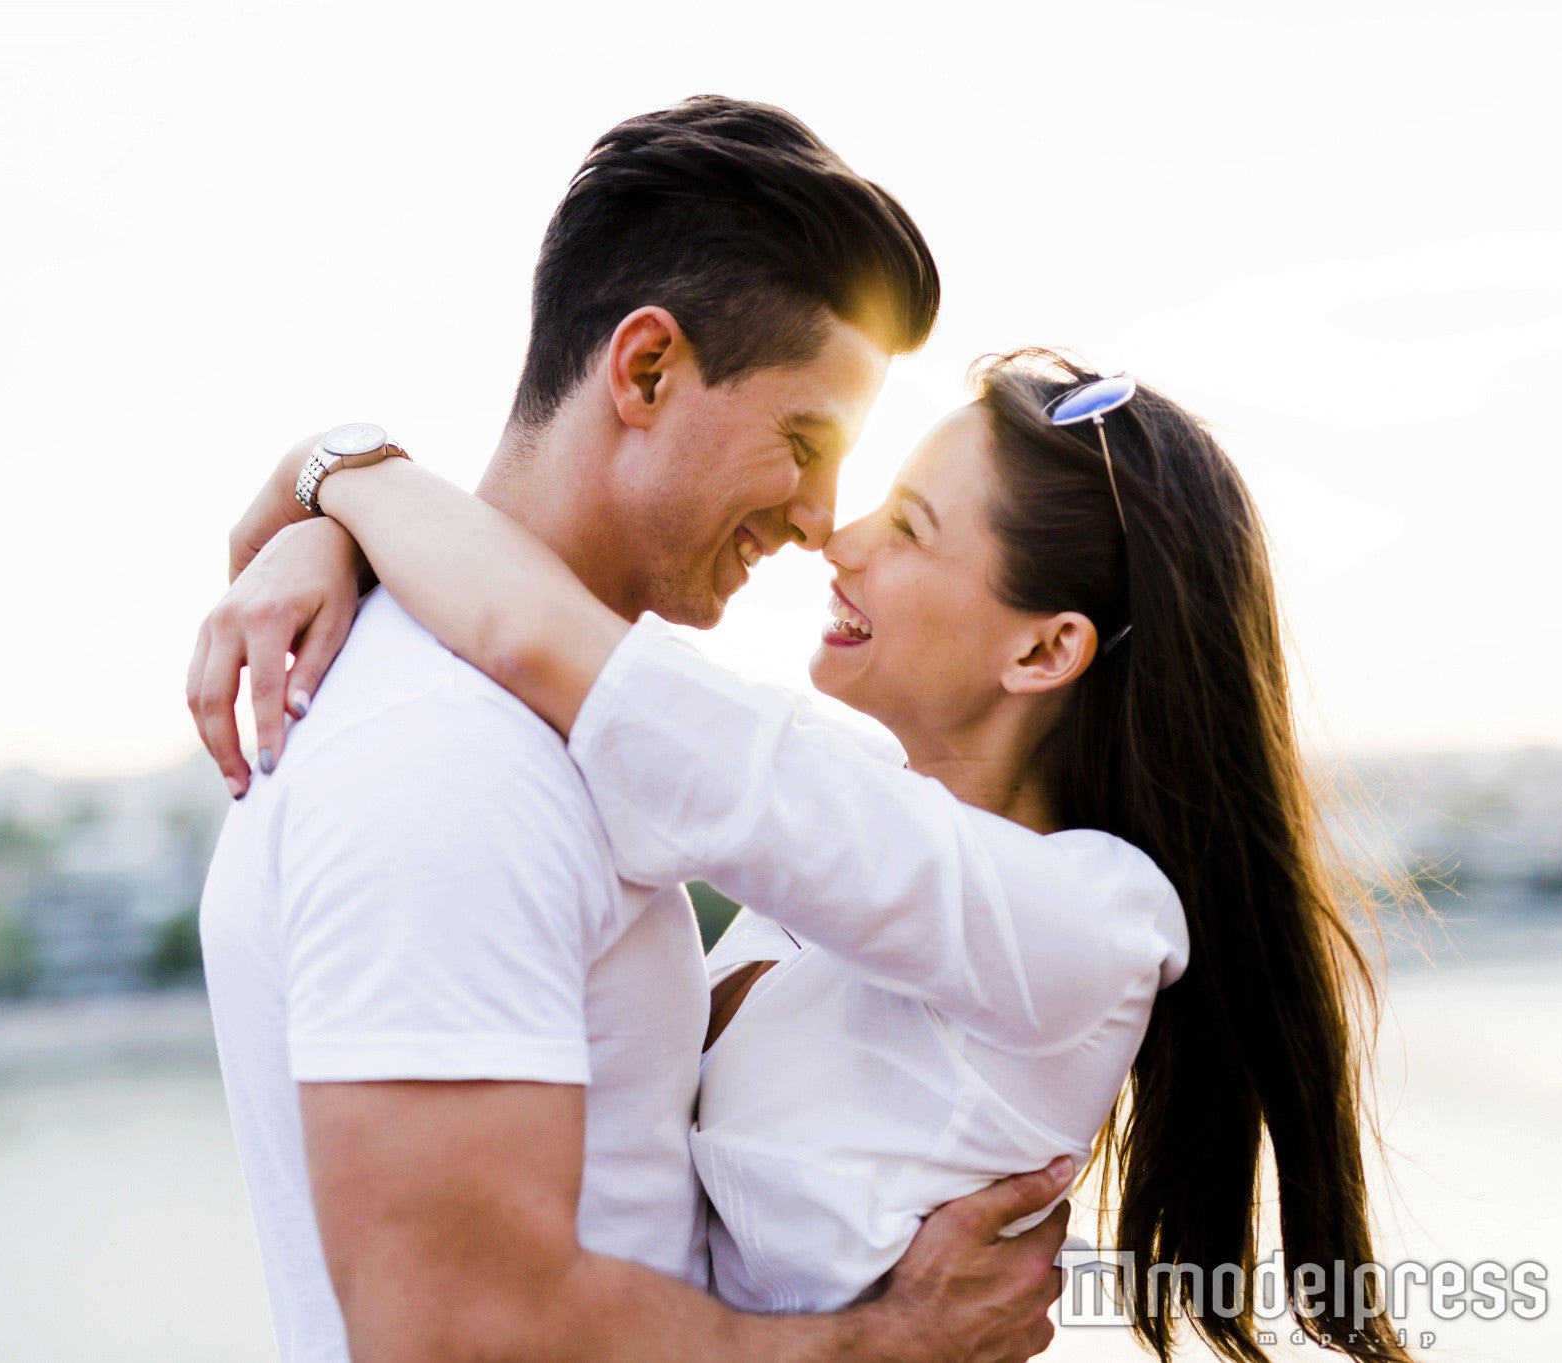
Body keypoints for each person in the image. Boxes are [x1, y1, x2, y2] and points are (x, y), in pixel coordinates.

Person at [193, 351, 1411, 1362]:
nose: (839, 536)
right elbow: (528, 656)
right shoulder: (843, 839)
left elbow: (544, 639)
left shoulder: (1085, 926)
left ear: (1043, 652)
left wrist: (342, 471)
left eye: (910, 527)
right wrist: (335, 539)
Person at [189, 97, 1071, 1363]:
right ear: (646, 368)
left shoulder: (514, 714)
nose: (824, 518)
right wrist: (895, 1340)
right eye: (803, 441)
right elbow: (461, 1332)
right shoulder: (448, 763)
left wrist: (336, 485)